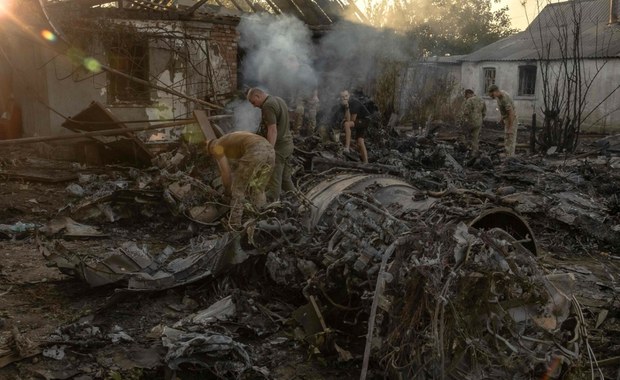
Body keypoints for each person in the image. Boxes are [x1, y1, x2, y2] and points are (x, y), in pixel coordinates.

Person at [205, 132, 275, 228]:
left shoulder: (217, 147)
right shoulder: (229, 138)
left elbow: (226, 172)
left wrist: (227, 191)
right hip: (270, 151)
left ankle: (234, 225)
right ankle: (262, 220)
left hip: (256, 151)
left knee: (238, 190)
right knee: (258, 188)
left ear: (211, 149)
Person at [247, 87, 295, 201]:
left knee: (274, 182)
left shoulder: (267, 106)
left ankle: (272, 207)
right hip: (288, 145)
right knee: (285, 179)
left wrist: (269, 152)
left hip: (279, 149)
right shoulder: (278, 99)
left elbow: (272, 130)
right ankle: (296, 200)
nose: (254, 106)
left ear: (258, 96)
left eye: (253, 102)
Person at [340, 90, 370, 164]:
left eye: (346, 96)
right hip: (359, 121)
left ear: (349, 95)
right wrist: (346, 107)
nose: (345, 98)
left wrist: (347, 107)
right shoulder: (344, 104)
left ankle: (347, 147)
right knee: (360, 141)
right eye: (342, 97)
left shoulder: (354, 102)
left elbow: (351, 120)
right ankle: (366, 162)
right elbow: (347, 118)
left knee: (347, 124)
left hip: (365, 120)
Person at [488, 84, 517, 156]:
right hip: (506, 118)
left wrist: (510, 127)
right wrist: (502, 118)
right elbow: (503, 110)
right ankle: (507, 154)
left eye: (492, 95)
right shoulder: (499, 97)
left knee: (510, 138)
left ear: (495, 91)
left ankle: (510, 157)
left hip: (511, 119)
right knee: (506, 137)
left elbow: (511, 113)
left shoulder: (504, 98)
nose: (492, 97)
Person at [459, 89, 486, 155]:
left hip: (470, 122)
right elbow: (484, 112)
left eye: (466, 96)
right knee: (475, 138)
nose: (466, 97)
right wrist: (480, 119)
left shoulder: (469, 100)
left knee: (463, 135)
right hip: (479, 122)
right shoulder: (481, 100)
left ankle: (464, 150)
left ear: (468, 94)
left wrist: (462, 121)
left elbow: (466, 112)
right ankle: (474, 153)